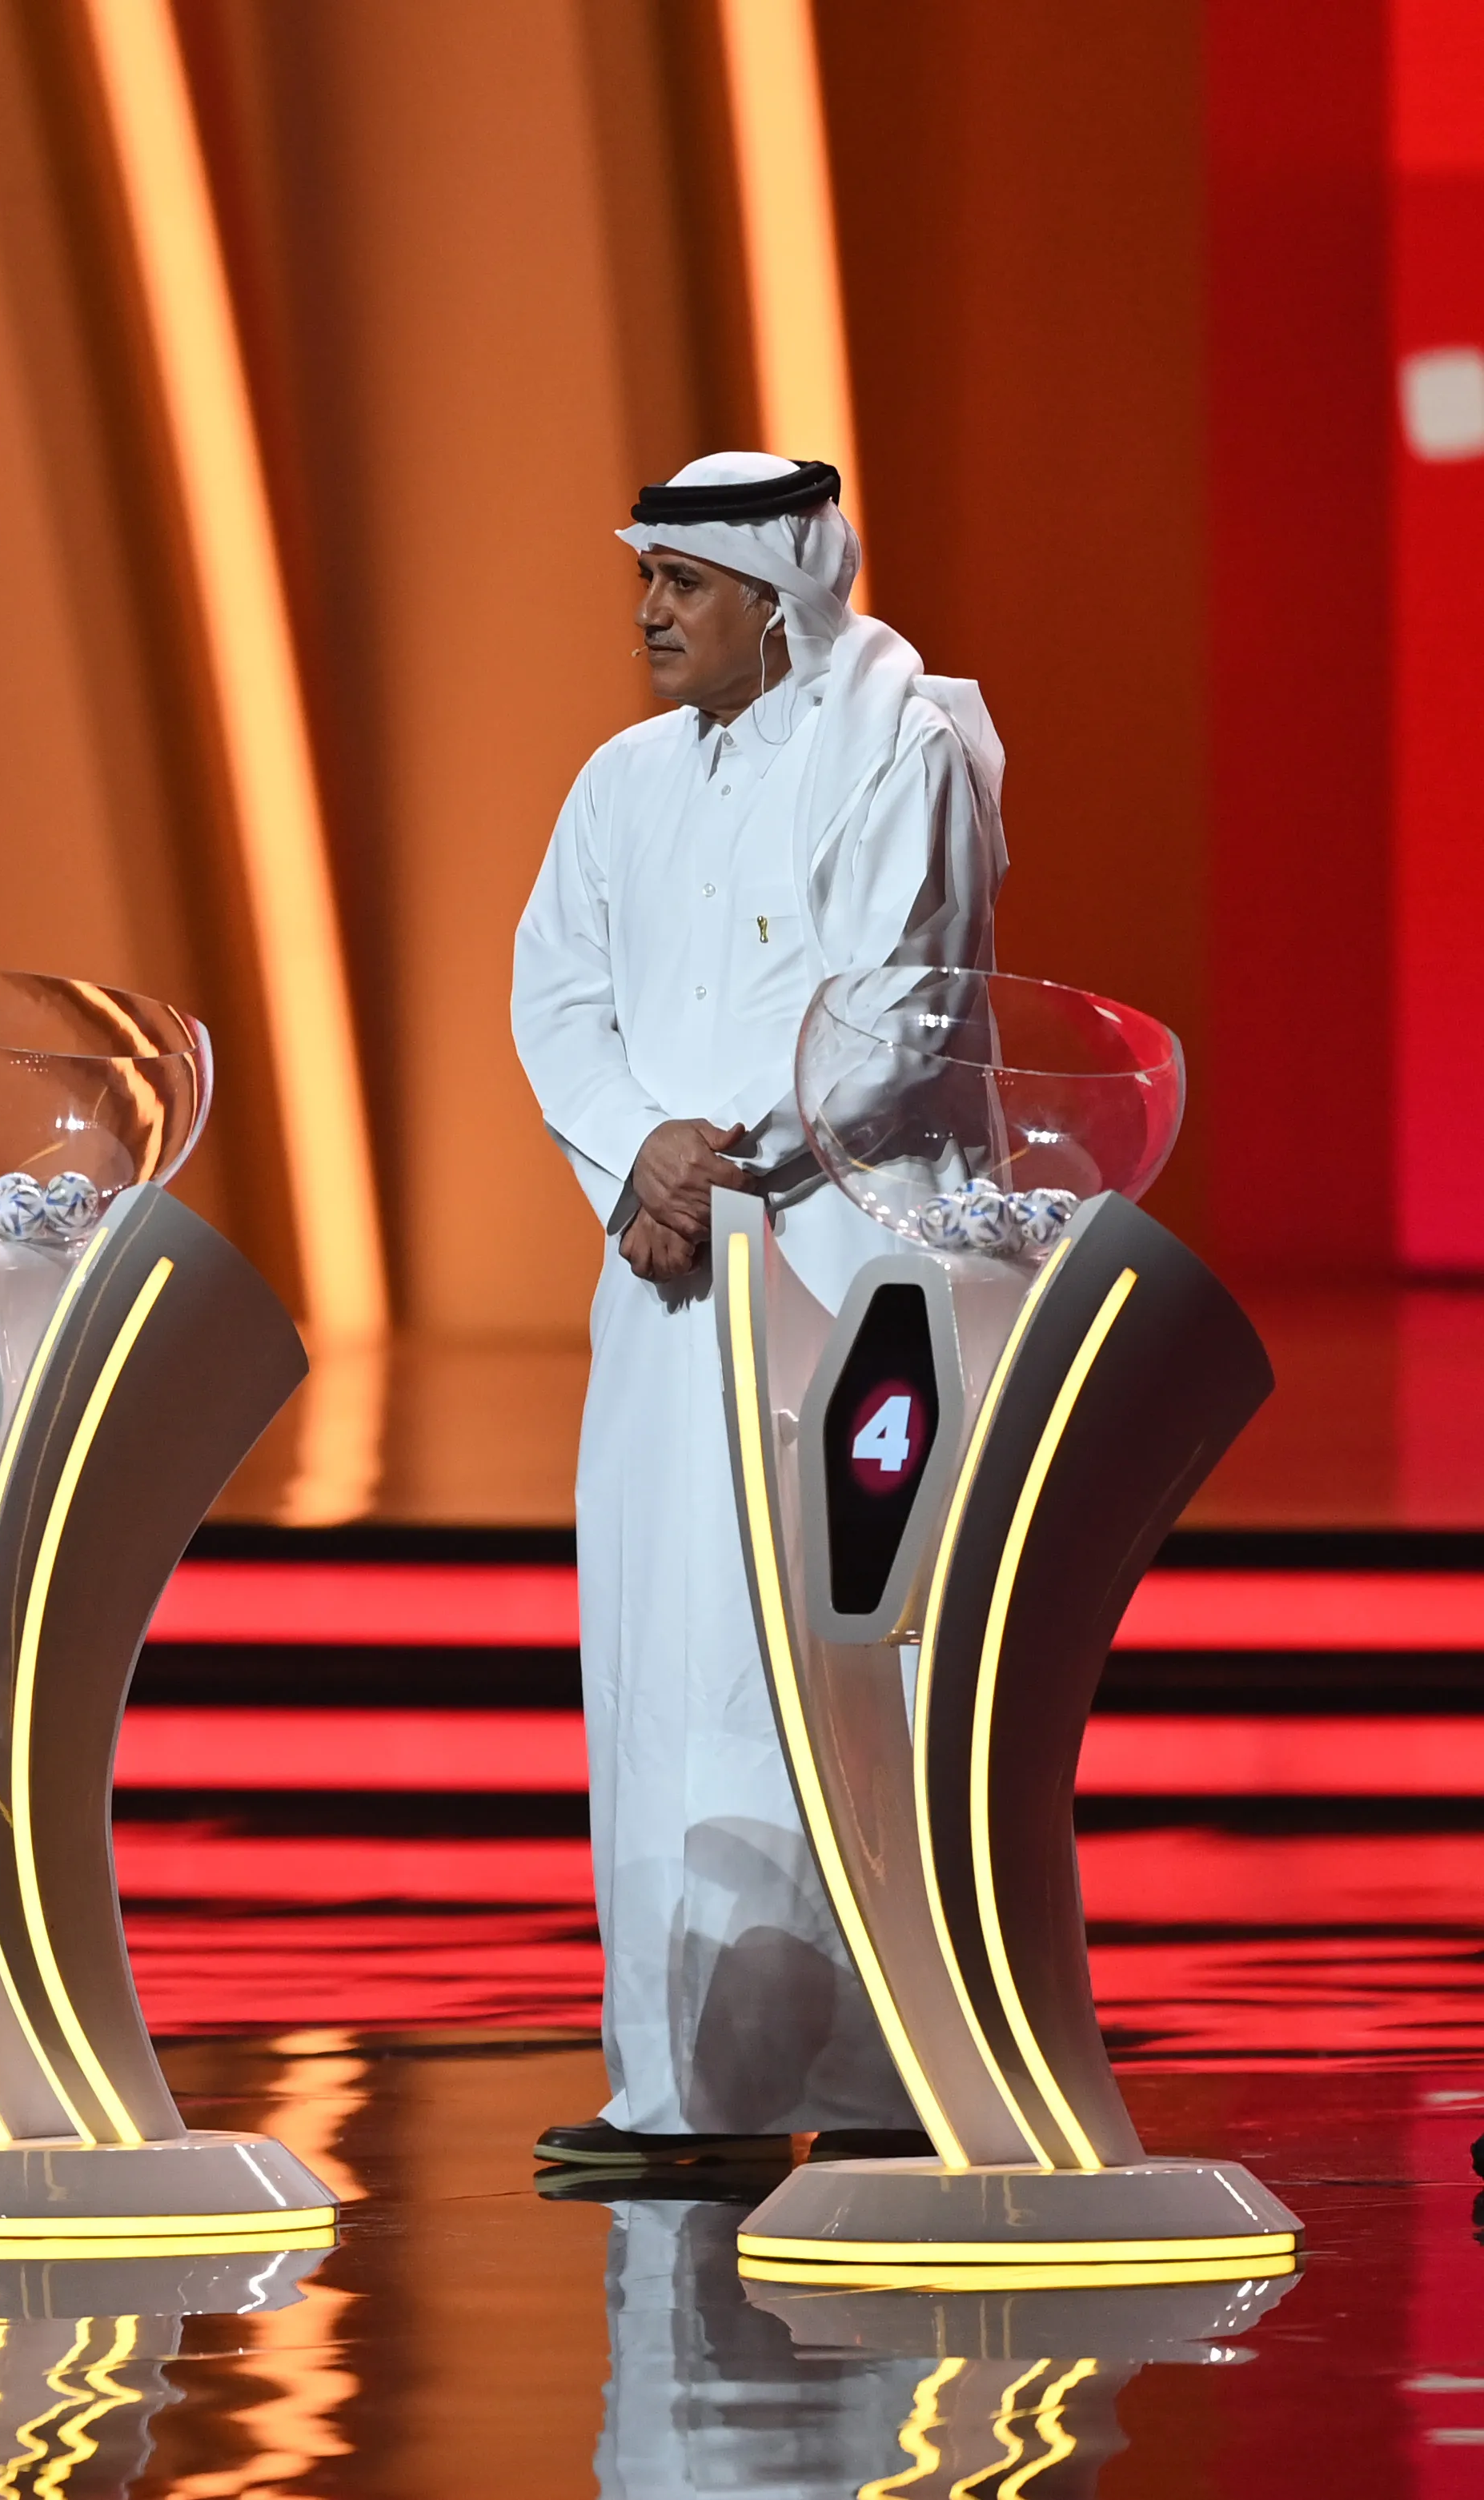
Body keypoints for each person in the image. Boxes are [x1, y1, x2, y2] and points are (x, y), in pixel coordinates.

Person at [509, 453, 1005, 2168]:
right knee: (665, 1662)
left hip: (847, 1267)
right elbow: (555, 997)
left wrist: (711, 1164)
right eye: (638, 579)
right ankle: (687, 2098)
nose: (646, 613)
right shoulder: (620, 780)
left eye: (680, 584)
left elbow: (892, 1012)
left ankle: (881, 2090)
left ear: (777, 596)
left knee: (839, 1660)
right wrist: (637, 1156)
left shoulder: (906, 744)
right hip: (664, 1282)